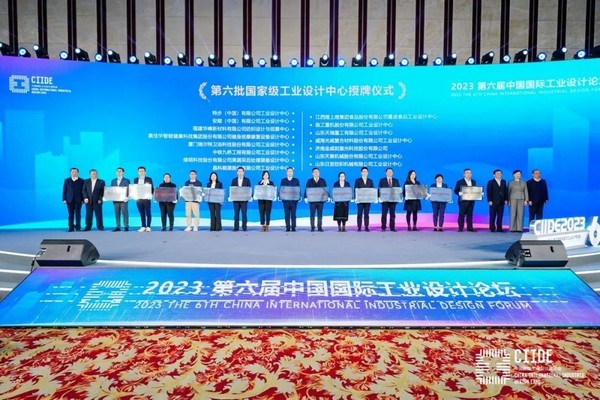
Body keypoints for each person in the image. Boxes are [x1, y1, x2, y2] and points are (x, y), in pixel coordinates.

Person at [305, 167, 327, 232]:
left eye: (317, 172)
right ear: (312, 173)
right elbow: (307, 189)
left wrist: (327, 196)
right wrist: (305, 197)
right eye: (314, 172)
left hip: (320, 201)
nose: (316, 173)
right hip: (312, 201)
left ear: (319, 173)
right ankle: (312, 227)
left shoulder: (322, 180)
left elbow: (325, 190)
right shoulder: (309, 181)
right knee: (312, 214)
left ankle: (319, 227)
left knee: (320, 214)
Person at [62, 167, 84, 232]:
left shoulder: (82, 180)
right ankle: (71, 227)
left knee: (78, 214)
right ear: (70, 173)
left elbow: (83, 191)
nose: (74, 173)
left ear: (78, 173)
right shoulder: (67, 180)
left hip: (78, 200)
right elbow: (64, 190)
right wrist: (64, 199)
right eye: (72, 172)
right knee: (70, 214)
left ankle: (78, 227)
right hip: (69, 200)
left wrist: (83, 199)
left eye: (75, 172)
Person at [231, 167, 251, 231]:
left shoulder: (247, 180)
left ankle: (244, 227)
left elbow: (249, 189)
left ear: (243, 172)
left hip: (244, 200)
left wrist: (249, 196)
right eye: (239, 171)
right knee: (236, 214)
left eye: (241, 171)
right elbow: (232, 189)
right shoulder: (234, 180)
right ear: (237, 172)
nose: (240, 172)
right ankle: (236, 227)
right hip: (236, 200)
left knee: (244, 214)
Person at [280, 167, 300, 232]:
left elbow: (298, 190)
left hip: (294, 201)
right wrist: (281, 198)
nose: (290, 172)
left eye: (291, 171)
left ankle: (293, 227)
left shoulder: (296, 180)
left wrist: (298, 198)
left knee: (293, 215)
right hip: (286, 201)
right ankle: (287, 227)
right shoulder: (283, 180)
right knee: (287, 215)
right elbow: (281, 190)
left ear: (293, 172)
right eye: (288, 171)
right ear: (286, 172)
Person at [134, 166, 154, 232]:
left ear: (145, 172)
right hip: (139, 199)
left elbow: (152, 188)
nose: (141, 172)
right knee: (141, 213)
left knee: (148, 212)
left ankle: (148, 226)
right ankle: (143, 226)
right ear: (138, 172)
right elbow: (134, 189)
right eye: (140, 171)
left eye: (142, 171)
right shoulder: (135, 179)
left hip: (146, 199)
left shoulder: (149, 179)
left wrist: (150, 195)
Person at [354, 166, 374, 231]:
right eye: (363, 171)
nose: (365, 173)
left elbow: (372, 190)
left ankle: (366, 227)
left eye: (366, 171)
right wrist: (356, 198)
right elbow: (355, 189)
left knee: (366, 214)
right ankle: (359, 227)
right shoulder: (357, 180)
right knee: (359, 214)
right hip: (360, 200)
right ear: (361, 173)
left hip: (368, 200)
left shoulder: (370, 181)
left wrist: (373, 198)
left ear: (367, 173)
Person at [111, 167, 130, 232]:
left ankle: (126, 226)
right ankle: (118, 226)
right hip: (115, 200)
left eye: (120, 171)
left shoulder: (126, 180)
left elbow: (129, 189)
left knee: (125, 213)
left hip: (124, 200)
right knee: (116, 213)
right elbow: (112, 190)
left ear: (123, 173)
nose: (118, 172)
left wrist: (127, 197)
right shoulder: (113, 180)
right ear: (116, 173)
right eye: (117, 171)